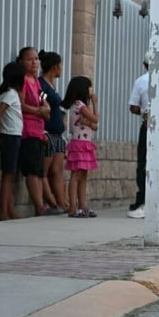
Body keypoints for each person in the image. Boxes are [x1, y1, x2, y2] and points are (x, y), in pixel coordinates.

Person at [16, 47, 51, 216]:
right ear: (22, 61)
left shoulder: (36, 81)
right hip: (27, 129)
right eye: (30, 59)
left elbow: (41, 100)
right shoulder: (22, 80)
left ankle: (41, 204)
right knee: (31, 169)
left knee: (38, 169)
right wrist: (38, 111)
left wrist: (45, 108)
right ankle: (39, 206)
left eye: (36, 59)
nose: (34, 62)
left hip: (39, 129)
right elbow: (20, 104)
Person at [0, 61, 25, 221]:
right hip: (10, 136)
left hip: (14, 136)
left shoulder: (11, 93)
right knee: (8, 176)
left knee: (11, 176)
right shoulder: (11, 94)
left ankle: (10, 210)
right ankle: (4, 213)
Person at [62, 76, 99, 218]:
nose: (91, 90)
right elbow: (96, 119)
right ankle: (73, 207)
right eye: (90, 87)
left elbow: (94, 125)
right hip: (79, 143)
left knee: (83, 175)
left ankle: (83, 206)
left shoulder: (82, 106)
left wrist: (90, 122)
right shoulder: (79, 105)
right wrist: (95, 103)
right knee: (76, 174)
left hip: (85, 143)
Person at [39, 50, 68, 214]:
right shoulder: (42, 84)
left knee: (57, 171)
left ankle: (62, 202)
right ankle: (51, 202)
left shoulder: (51, 85)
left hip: (58, 133)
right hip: (47, 132)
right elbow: (41, 103)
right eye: (60, 66)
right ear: (55, 67)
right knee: (45, 171)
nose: (61, 69)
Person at [127, 55, 149, 219]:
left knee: (143, 163)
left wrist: (144, 111)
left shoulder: (141, 81)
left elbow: (133, 107)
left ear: (144, 64)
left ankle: (142, 200)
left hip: (147, 126)